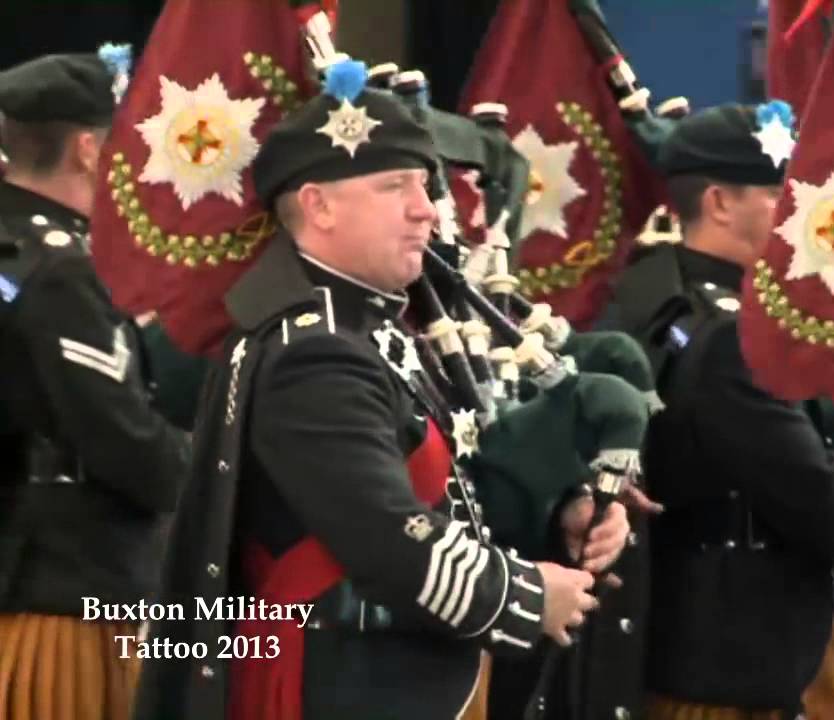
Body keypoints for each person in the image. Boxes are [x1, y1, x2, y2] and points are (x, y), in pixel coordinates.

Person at [130, 60, 626, 720]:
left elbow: (455, 498)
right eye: (396, 185)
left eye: (425, 184)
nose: (428, 208)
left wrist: (557, 510)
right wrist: (526, 598)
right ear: (319, 204)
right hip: (340, 686)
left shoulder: (378, 330)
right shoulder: (314, 351)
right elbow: (385, 533)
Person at [606, 101, 834, 720]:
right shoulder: (731, 336)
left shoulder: (654, 295)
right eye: (780, 194)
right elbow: (810, 492)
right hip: (730, 666)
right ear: (718, 202)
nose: (801, 214)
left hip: (693, 642)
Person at [0, 50, 192, 720]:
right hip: (62, 600)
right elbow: (122, 443)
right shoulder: (57, 272)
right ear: (87, 149)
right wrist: (220, 466)